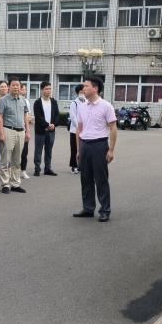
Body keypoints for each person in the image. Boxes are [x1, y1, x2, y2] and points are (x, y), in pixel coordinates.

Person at [74, 76, 118, 221]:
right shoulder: (82, 106)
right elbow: (79, 128)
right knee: (85, 179)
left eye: (86, 86)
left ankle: (105, 210)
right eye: (83, 86)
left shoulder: (106, 106)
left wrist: (111, 150)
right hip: (85, 145)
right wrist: (79, 150)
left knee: (101, 179)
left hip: (99, 145)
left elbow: (113, 128)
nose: (83, 89)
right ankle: (88, 208)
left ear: (95, 88)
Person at [0, 79, 29, 194]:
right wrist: (1, 132)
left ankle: (15, 184)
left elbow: (25, 116)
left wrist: (28, 131)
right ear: (9, 87)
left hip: (21, 131)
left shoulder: (23, 100)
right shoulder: (3, 100)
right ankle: (5, 184)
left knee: (17, 160)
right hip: (8, 130)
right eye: (13, 85)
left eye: (17, 85)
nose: (16, 87)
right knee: (5, 159)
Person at [32, 81, 61, 177]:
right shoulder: (37, 102)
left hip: (51, 131)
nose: (48, 91)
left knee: (49, 150)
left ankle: (47, 169)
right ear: (42, 90)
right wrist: (47, 125)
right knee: (38, 150)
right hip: (40, 131)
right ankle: (37, 169)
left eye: (49, 89)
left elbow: (57, 115)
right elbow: (38, 117)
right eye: (46, 89)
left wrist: (54, 124)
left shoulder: (54, 102)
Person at [68, 83, 85, 174]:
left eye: (84, 91)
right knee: (74, 149)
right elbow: (73, 117)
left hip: (85, 131)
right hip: (75, 130)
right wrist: (79, 126)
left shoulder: (87, 102)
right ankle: (74, 166)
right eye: (81, 92)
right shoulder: (74, 103)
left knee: (83, 149)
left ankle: (81, 166)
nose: (83, 93)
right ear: (78, 92)